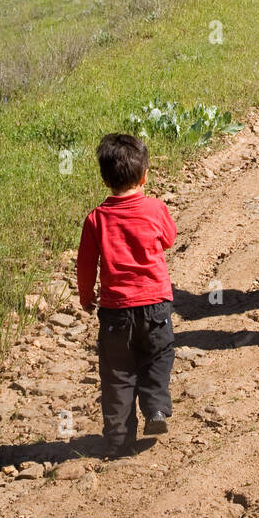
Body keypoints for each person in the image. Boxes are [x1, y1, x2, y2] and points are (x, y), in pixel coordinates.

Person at [77, 133, 176, 457]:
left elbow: (86, 263)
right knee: (158, 358)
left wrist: (86, 296)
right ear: (145, 175)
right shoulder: (155, 209)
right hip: (156, 306)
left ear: (105, 179)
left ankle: (119, 438)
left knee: (117, 374)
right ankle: (156, 408)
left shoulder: (96, 219)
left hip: (115, 313)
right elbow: (169, 239)